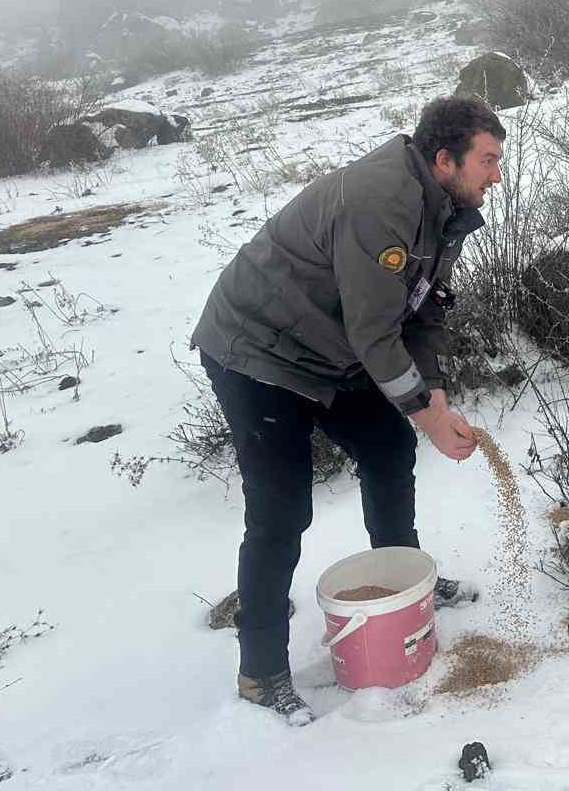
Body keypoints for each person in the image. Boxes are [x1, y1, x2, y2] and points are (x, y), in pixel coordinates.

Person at [191, 95, 504, 725]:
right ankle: (261, 672)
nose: (496, 174)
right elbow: (374, 334)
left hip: (329, 349)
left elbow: (421, 310)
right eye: (488, 160)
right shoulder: (381, 202)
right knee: (282, 509)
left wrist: (433, 396)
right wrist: (429, 415)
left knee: (389, 451)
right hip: (259, 354)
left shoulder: (443, 207)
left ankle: (402, 579)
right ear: (445, 159)